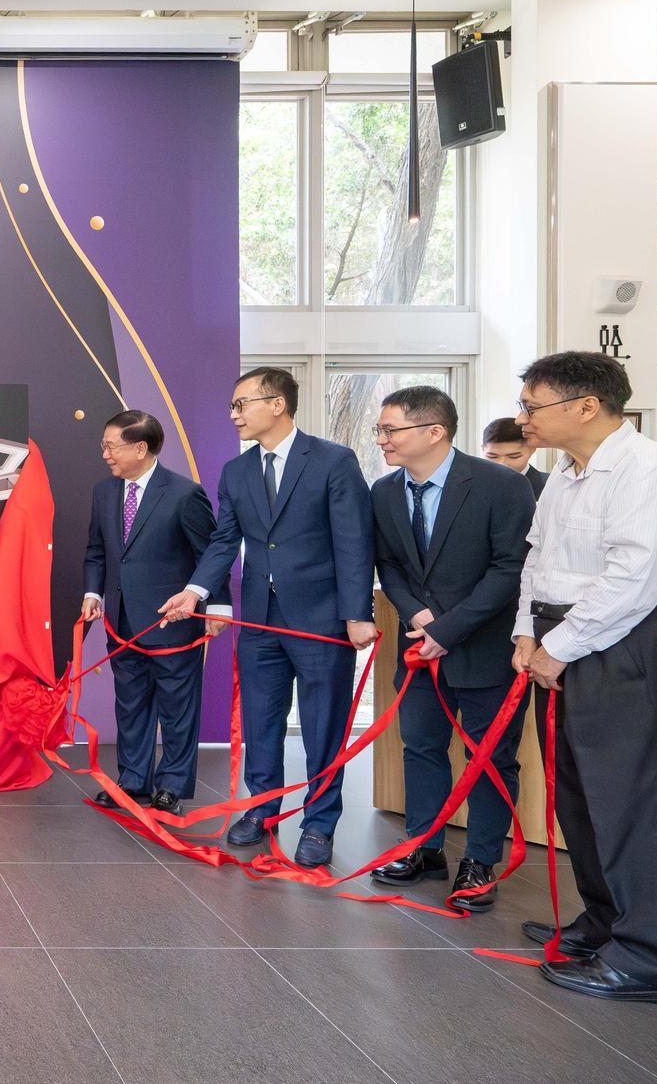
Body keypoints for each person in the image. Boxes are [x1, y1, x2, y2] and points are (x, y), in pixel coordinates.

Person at [510, 352, 657, 1004]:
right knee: (585, 799)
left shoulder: (652, 471)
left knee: (637, 805)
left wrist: (559, 647)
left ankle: (649, 959)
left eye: (533, 406)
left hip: (633, 646)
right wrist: (526, 633)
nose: (523, 419)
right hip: (569, 643)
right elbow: (536, 561)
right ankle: (605, 924)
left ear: (586, 405)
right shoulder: (565, 476)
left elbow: (634, 578)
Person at [163, 367, 377, 870]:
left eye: (243, 404)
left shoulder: (333, 461)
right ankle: (262, 808)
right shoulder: (237, 472)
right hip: (258, 618)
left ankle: (320, 823)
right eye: (233, 406)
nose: (234, 414)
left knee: (323, 723)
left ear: (277, 404)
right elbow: (224, 542)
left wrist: (356, 613)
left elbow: (353, 542)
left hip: (322, 619)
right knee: (261, 721)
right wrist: (195, 592)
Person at [364, 386, 536, 911]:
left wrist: (449, 629)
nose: (382, 440)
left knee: (490, 757)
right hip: (419, 648)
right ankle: (424, 847)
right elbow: (390, 564)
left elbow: (510, 568)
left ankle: (480, 860)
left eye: (390, 430)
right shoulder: (384, 491)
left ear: (434, 432)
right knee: (420, 749)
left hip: (486, 650)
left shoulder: (501, 486)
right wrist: (415, 613)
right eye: (381, 430)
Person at [81, 409, 226, 815]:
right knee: (130, 703)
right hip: (122, 620)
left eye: (111, 445)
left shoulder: (183, 493)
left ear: (140, 447)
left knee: (177, 708)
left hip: (172, 622)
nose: (105, 454)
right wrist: (93, 591)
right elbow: (97, 550)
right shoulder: (104, 492)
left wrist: (214, 606)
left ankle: (172, 785)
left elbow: (210, 554)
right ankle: (132, 780)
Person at [480, 416, 548, 499]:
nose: (502, 464)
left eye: (513, 456)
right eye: (492, 456)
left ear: (532, 449)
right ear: (483, 449)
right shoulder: (470, 484)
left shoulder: (550, 485)